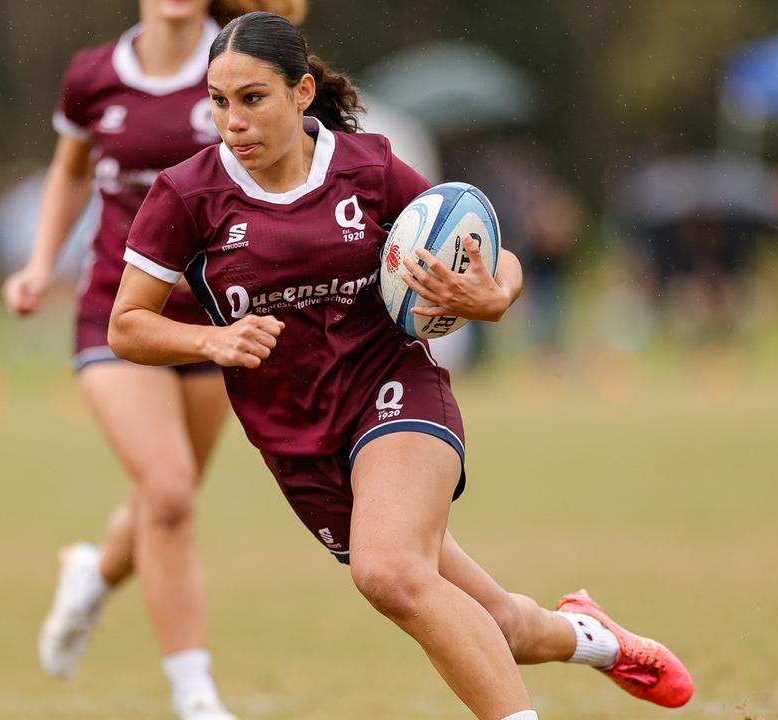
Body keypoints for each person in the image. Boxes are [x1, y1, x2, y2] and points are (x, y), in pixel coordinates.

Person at [109, 12, 693, 719]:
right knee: (498, 623)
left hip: (393, 391)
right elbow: (128, 325)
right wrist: (213, 340)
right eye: (219, 101)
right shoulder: (186, 196)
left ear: (301, 93)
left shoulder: (366, 166)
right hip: (298, 442)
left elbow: (486, 247)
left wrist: (493, 293)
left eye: (253, 98)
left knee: (387, 571)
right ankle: (594, 638)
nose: (233, 121)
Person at [1, 2, 305, 719]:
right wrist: (42, 263)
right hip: (118, 315)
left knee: (165, 504)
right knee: (167, 491)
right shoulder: (93, 76)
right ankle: (195, 696)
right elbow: (70, 172)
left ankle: (95, 573)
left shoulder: (237, 66)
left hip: (218, 323)